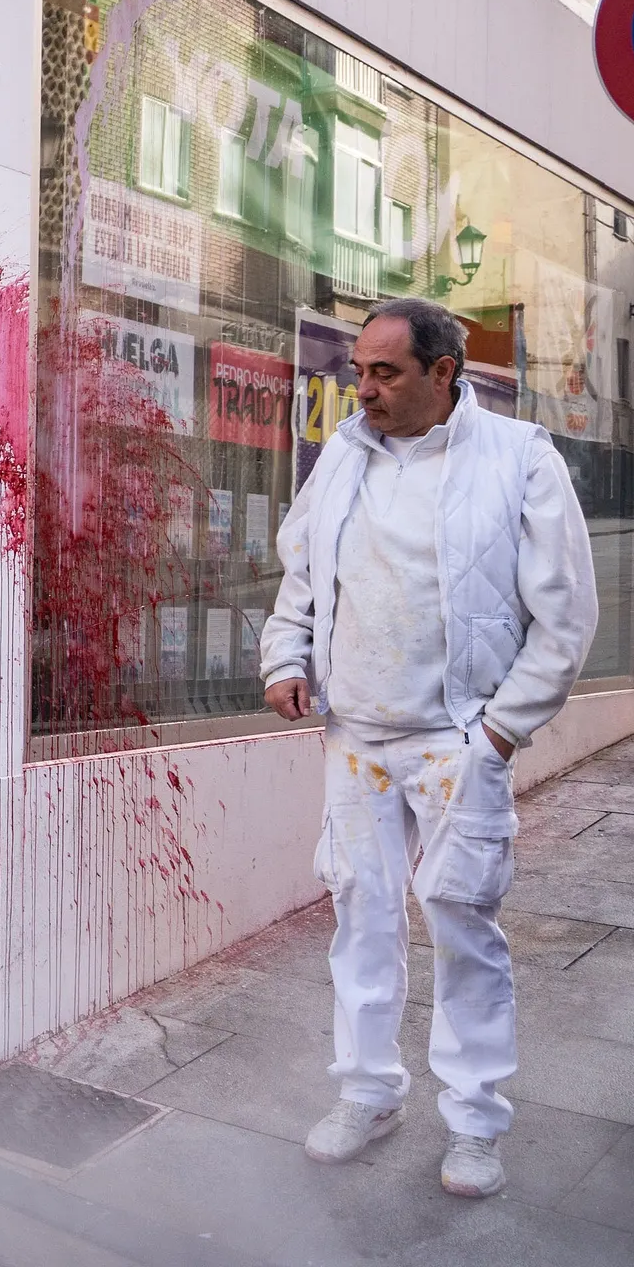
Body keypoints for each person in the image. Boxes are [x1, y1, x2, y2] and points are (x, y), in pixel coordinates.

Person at [258, 297, 596, 1199]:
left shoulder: (519, 458)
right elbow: (302, 574)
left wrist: (499, 731)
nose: (363, 390)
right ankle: (367, 1093)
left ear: (444, 372)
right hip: (356, 737)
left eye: (385, 373)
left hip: (457, 739)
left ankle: (475, 1123)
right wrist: (284, 659)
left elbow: (565, 617)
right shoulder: (343, 455)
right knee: (361, 919)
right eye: (359, 372)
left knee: (463, 928)